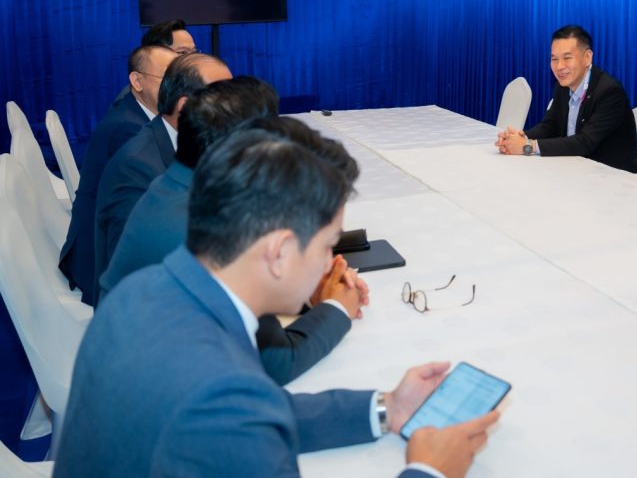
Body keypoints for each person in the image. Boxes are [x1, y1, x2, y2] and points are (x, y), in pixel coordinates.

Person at [55, 127, 499, 478]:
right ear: (280, 252)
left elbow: (251, 411)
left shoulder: (145, 289)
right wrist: (428, 471)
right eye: (327, 244)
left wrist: (387, 408)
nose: (331, 261)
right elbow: (235, 413)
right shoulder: (219, 394)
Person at [101, 94, 369, 385]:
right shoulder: (212, 243)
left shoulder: (181, 189)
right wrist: (337, 307)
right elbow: (275, 364)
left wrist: (302, 280)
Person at [92, 53, 232, 299]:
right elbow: (135, 270)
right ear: (185, 107)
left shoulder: (188, 143)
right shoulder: (136, 166)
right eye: (224, 98)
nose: (234, 108)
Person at [59, 43, 178, 305]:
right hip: (98, 263)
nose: (177, 88)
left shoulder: (135, 111)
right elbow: (150, 210)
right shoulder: (129, 129)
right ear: (137, 81)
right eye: (167, 79)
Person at [496, 25, 637, 174]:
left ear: (587, 58)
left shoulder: (609, 91)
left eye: (567, 58)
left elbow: (585, 142)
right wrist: (519, 137)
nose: (559, 66)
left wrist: (527, 146)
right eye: (554, 59)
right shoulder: (563, 86)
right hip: (576, 168)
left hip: (613, 175)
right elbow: (550, 126)